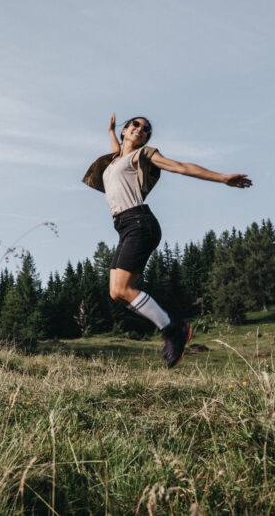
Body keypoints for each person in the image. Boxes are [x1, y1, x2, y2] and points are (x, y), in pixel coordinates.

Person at [83, 113, 252, 368]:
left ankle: (173, 330)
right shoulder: (115, 160)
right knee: (116, 293)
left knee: (123, 290)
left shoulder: (144, 155)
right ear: (125, 131)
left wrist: (223, 178)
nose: (141, 129)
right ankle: (169, 328)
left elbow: (181, 166)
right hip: (125, 227)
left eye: (146, 129)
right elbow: (117, 151)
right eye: (135, 125)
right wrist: (110, 132)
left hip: (139, 223)